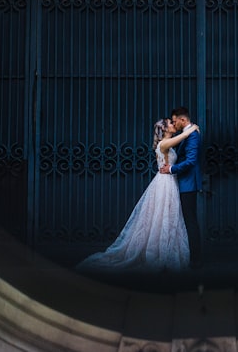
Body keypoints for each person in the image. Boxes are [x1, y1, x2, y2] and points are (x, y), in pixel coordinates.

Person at [76, 117, 196, 273]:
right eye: (170, 124)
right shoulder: (164, 143)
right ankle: (160, 252)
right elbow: (184, 137)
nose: (174, 125)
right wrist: (191, 129)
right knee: (163, 214)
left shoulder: (166, 143)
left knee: (166, 215)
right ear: (165, 129)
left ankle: (164, 249)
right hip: (165, 182)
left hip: (167, 181)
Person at [159, 106, 202, 269]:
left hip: (188, 183)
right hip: (182, 182)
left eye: (175, 121)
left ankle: (196, 260)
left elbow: (191, 161)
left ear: (183, 120)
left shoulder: (192, 136)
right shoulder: (186, 134)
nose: (174, 124)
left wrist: (171, 169)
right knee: (186, 220)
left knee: (190, 220)